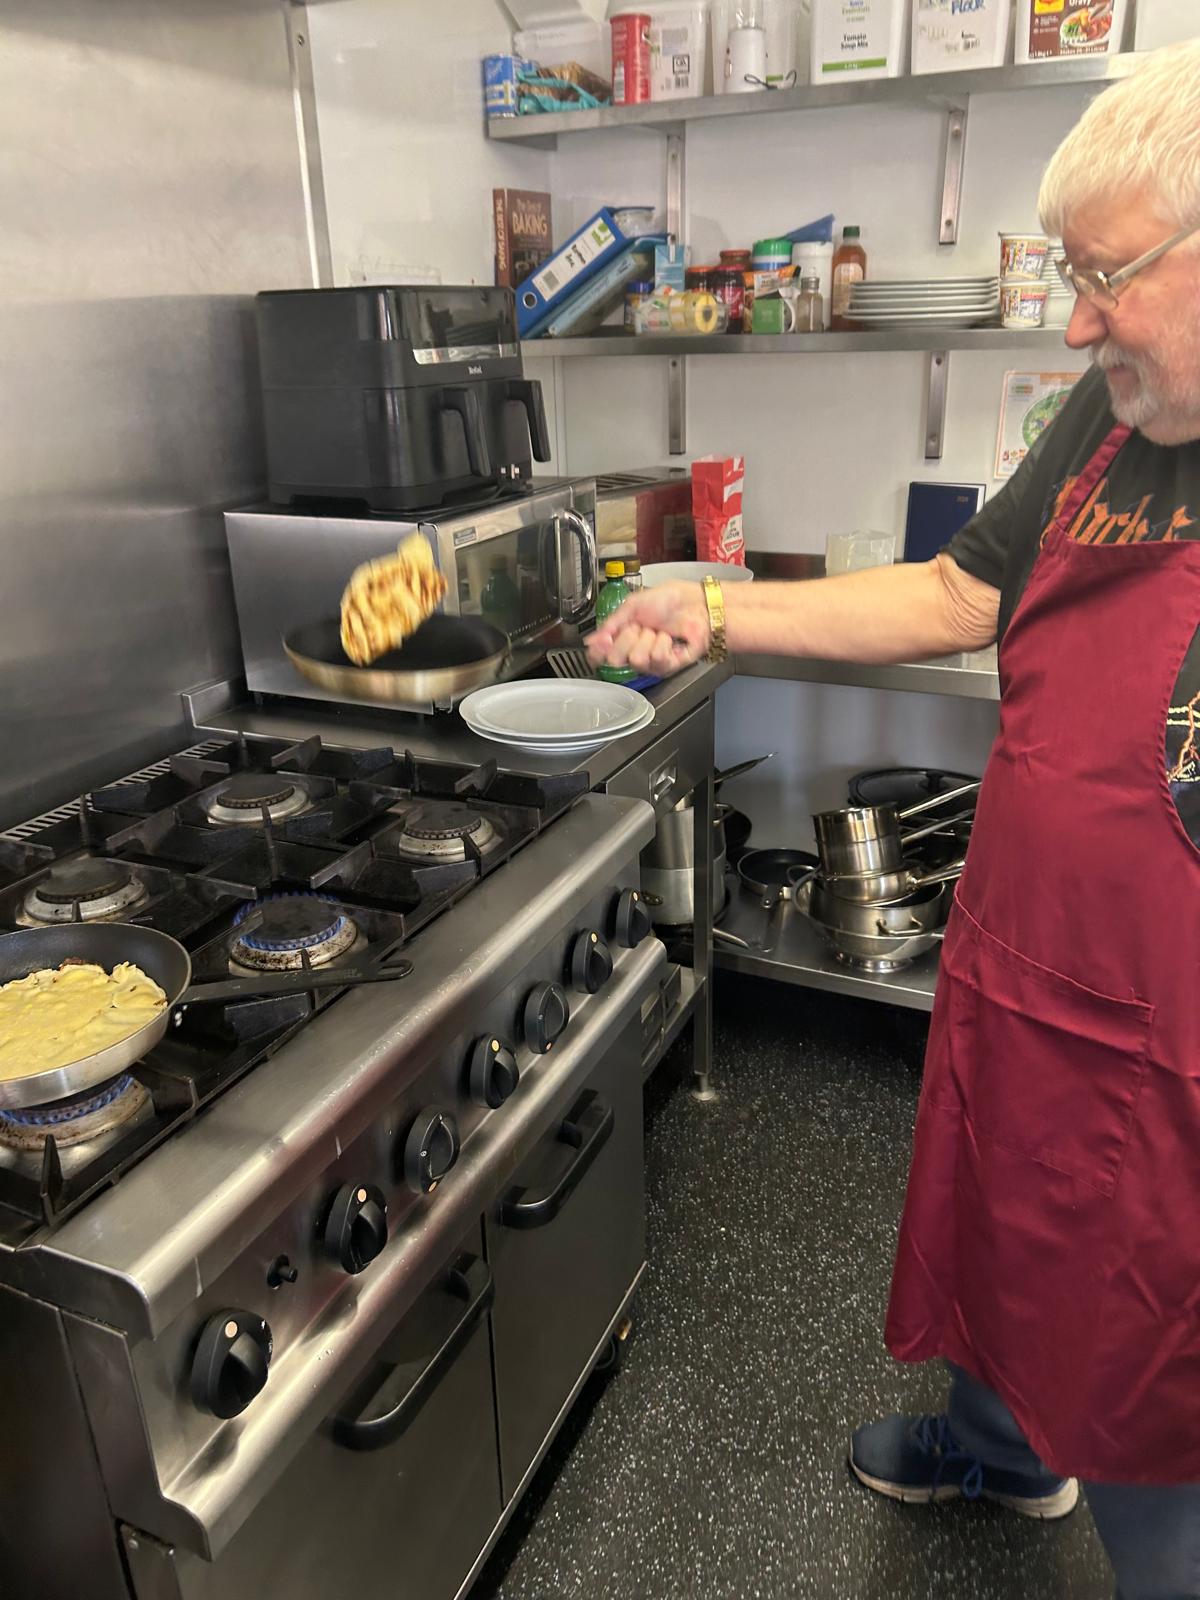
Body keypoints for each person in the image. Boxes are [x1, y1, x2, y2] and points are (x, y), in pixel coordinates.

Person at [586, 41, 1200, 1600]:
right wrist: (716, 609)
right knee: (1002, 1225)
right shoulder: (1112, 416)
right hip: (1027, 958)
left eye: (1106, 276)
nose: (1074, 321)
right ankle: (1001, 1449)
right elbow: (953, 592)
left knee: (1158, 1382)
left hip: (1175, 1040)